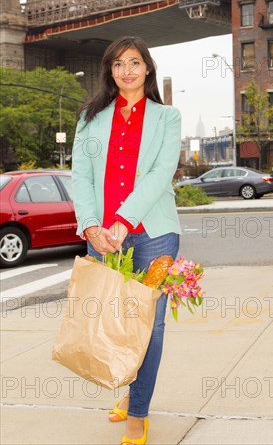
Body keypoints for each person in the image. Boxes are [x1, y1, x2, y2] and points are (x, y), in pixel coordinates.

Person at [71, 36, 181, 445]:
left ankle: (138, 413)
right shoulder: (90, 118)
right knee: (113, 322)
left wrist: (122, 220)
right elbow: (80, 175)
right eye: (118, 64)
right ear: (109, 71)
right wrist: (90, 226)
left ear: (147, 68)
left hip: (154, 234)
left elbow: (160, 174)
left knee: (148, 328)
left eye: (134, 63)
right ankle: (129, 390)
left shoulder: (167, 117)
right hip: (101, 236)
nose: (126, 71)